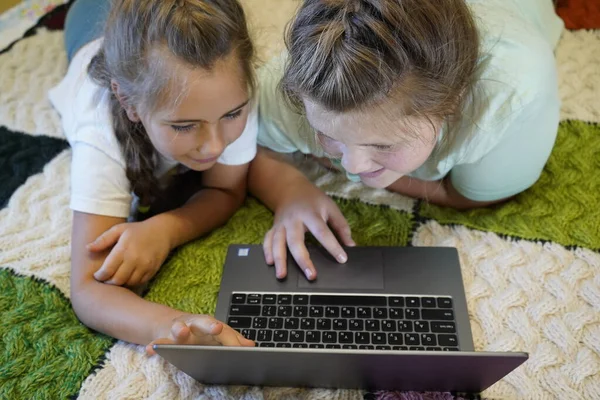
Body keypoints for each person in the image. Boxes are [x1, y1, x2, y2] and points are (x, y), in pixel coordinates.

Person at [253, 0, 564, 278]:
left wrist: (322, 161)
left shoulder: (513, 96)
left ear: (451, 101)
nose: (351, 164)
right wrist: (289, 190)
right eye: (326, 134)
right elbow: (238, 142)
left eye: (383, 145)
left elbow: (472, 195)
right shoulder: (302, 78)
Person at [48, 0, 258, 353]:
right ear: (128, 102)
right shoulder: (99, 131)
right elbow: (88, 290)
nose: (215, 144)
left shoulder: (229, 86)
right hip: (88, 14)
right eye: (184, 125)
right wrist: (171, 325)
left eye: (232, 115)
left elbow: (226, 189)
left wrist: (166, 229)